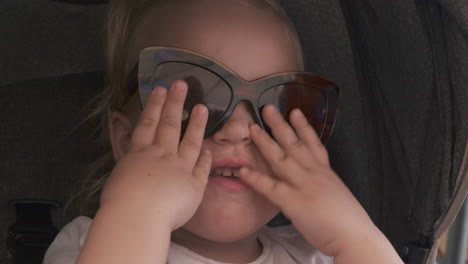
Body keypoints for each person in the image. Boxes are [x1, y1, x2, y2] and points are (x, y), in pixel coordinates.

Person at [44, 0, 404, 263]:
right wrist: (139, 212)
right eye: (197, 99)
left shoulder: (317, 254)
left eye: (274, 108)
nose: (238, 130)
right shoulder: (95, 243)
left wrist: (356, 236)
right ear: (127, 141)